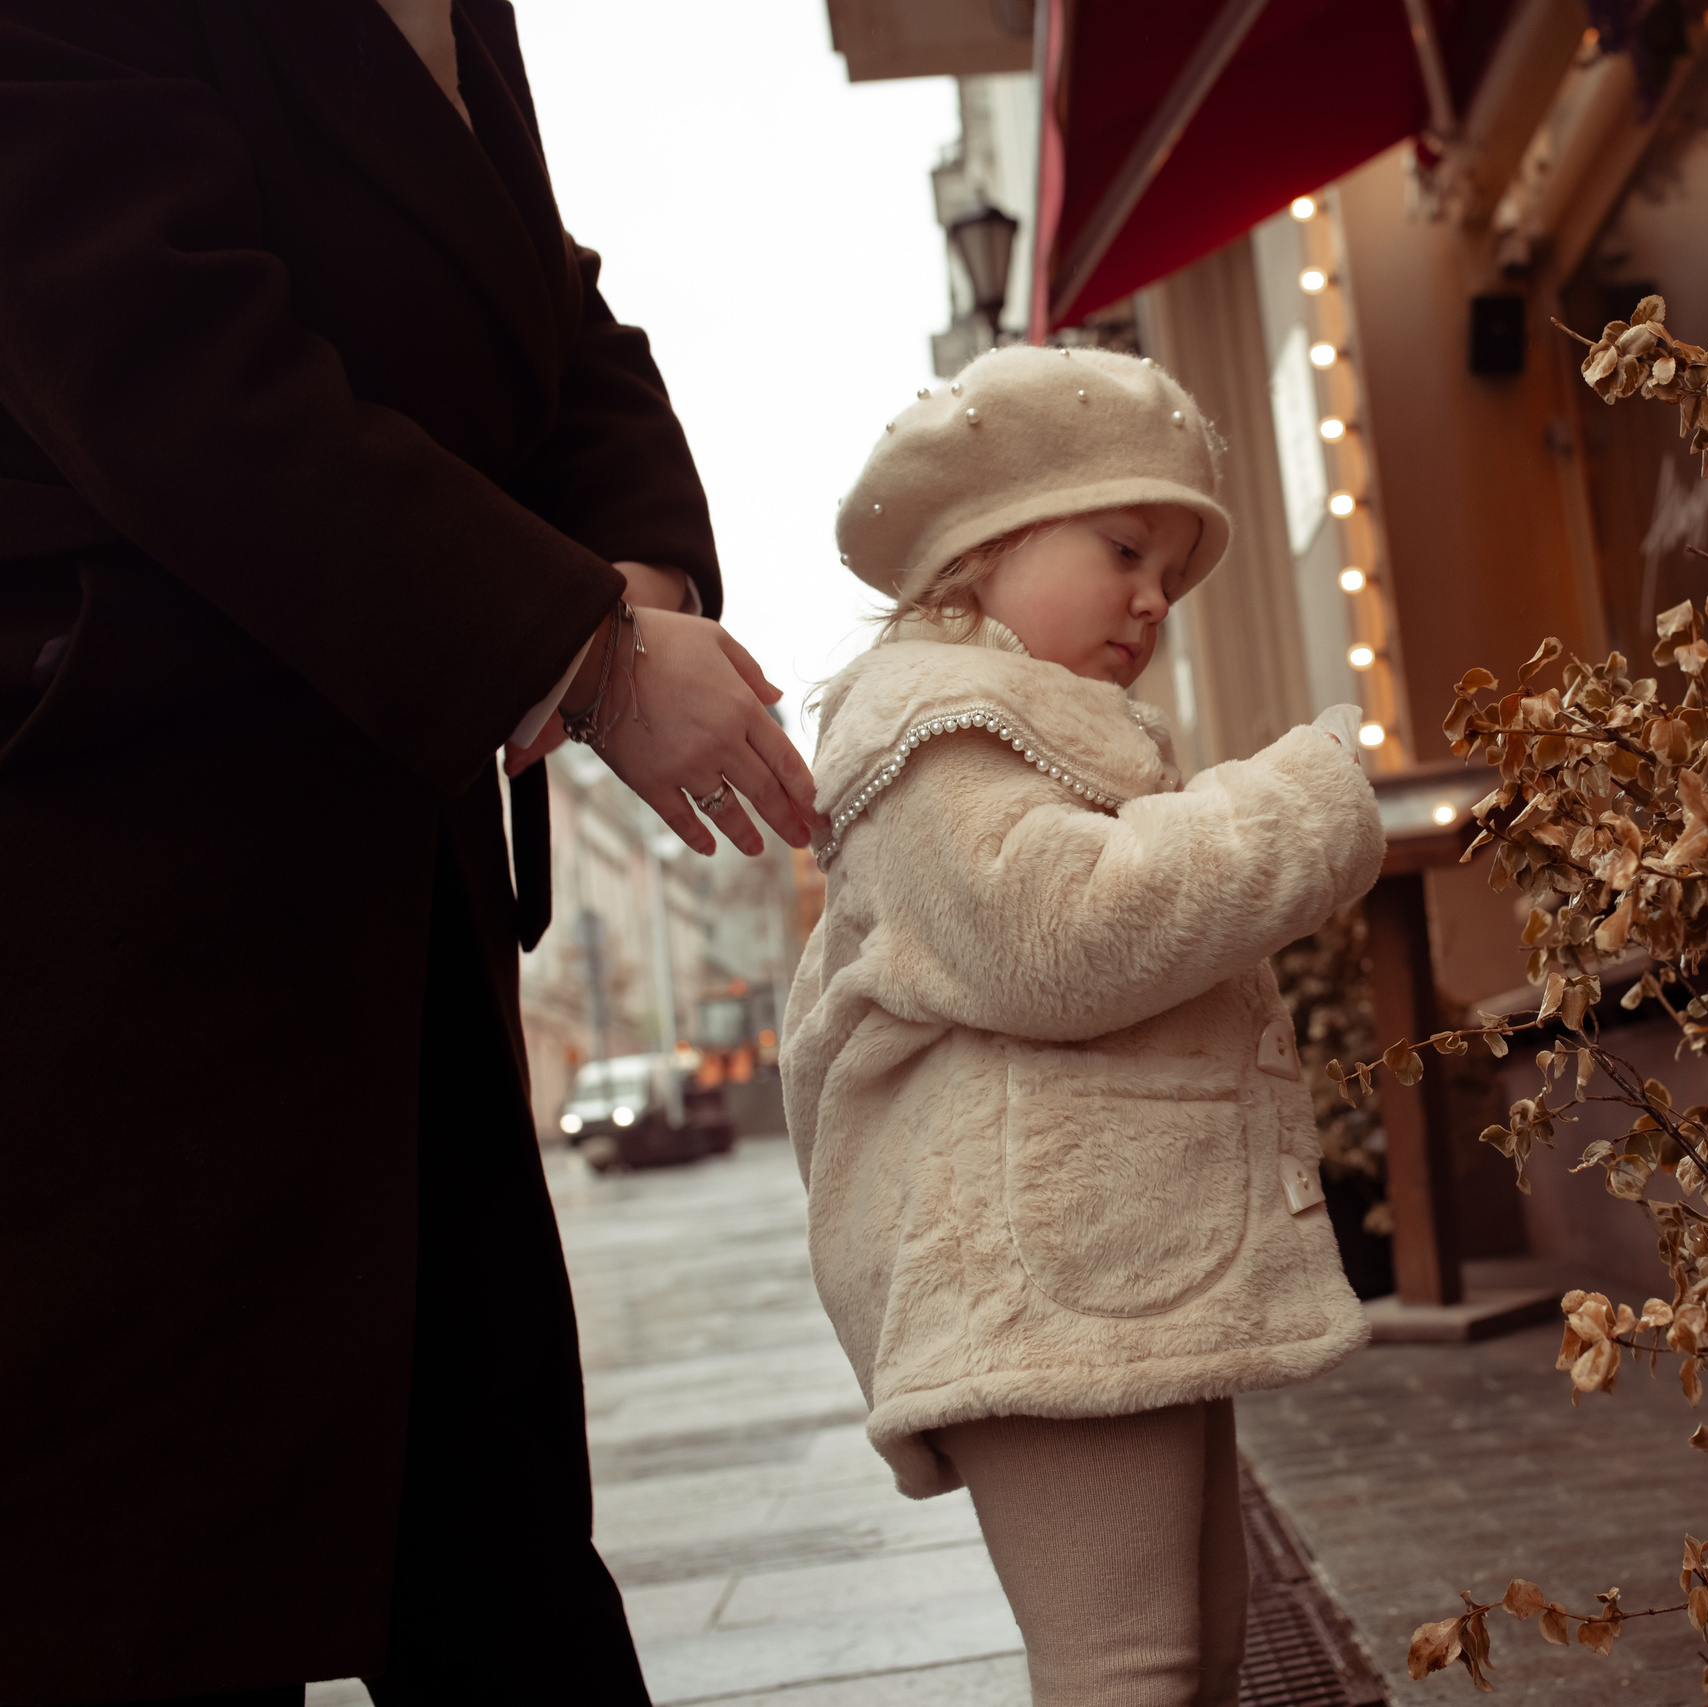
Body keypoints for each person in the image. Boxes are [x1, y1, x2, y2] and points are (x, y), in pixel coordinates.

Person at [0, 2, 815, 1702]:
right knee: (155, 1593)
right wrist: (574, 647)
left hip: (389, 876)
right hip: (132, 891)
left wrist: (632, 583)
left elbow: (552, 312)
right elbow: (160, 353)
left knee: (495, 1546)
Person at [779, 344, 1383, 1706]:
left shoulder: (1024, 729)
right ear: (981, 551)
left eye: (1168, 566)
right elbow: (1061, 935)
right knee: (1131, 1668)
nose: (1154, 595)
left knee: (1197, 1654)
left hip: (1108, 1267)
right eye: (1122, 546)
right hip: (1034, 1285)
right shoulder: (932, 730)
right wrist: (1299, 803)